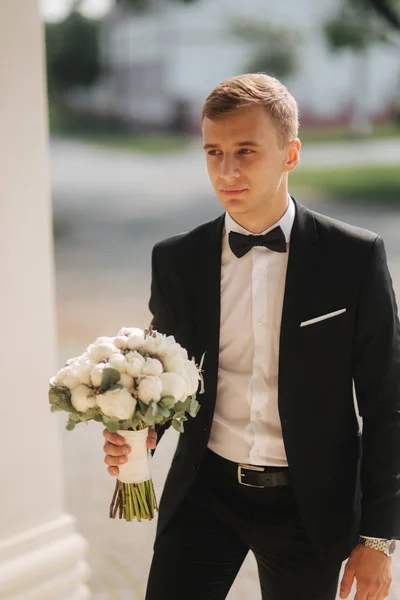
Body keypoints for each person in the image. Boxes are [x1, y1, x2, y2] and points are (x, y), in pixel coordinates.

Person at [102, 73, 400, 600]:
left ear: (291, 154)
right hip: (205, 491)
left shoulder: (354, 258)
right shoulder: (176, 260)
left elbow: (386, 403)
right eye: (213, 151)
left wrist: (379, 537)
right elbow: (165, 373)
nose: (226, 170)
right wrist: (144, 430)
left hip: (309, 505)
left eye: (245, 151)